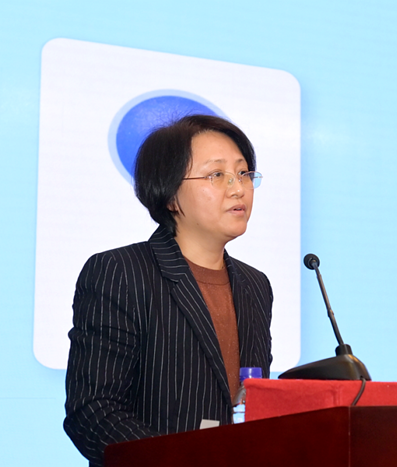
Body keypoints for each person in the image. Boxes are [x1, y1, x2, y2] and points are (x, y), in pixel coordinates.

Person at [63, 115, 272, 466]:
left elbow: (250, 405)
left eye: (243, 173)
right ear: (171, 194)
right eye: (217, 174)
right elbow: (94, 412)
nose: (238, 188)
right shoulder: (121, 272)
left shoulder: (255, 285)